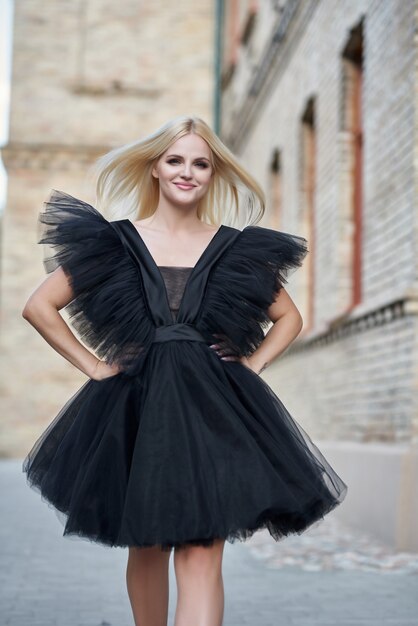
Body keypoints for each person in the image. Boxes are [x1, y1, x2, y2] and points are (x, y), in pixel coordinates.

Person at [21, 114, 347, 626]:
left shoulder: (237, 249)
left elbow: (290, 318)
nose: (187, 172)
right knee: (146, 546)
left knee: (201, 551)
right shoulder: (115, 242)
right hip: (134, 408)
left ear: (213, 174)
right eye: (175, 160)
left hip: (214, 409)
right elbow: (40, 306)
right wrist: (95, 368)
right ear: (155, 167)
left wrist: (254, 364)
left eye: (201, 163)